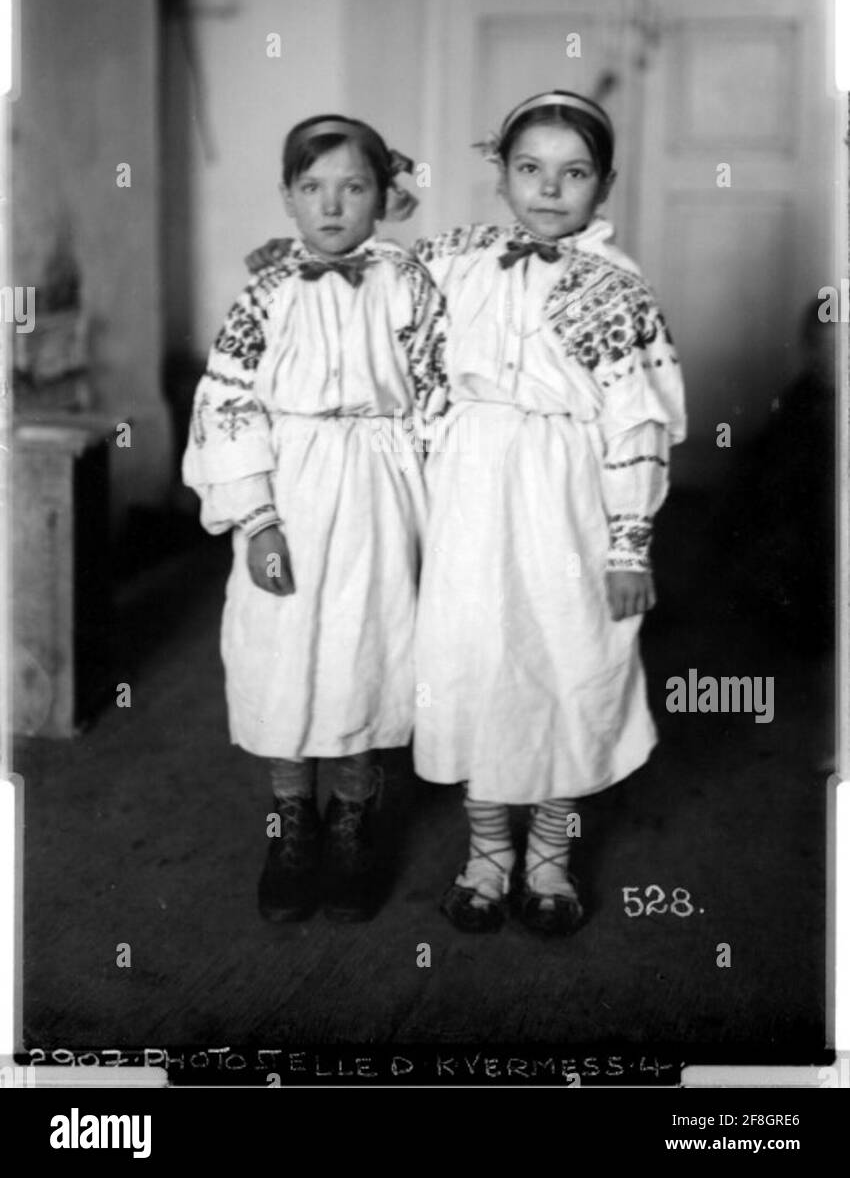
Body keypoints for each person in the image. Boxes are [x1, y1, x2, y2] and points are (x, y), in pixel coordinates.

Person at [411, 90, 687, 936]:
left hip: (564, 492)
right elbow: (376, 291)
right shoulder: (460, 259)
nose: (550, 189)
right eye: (529, 168)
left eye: (574, 174)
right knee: (480, 661)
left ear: (604, 185)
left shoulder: (615, 288)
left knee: (566, 661)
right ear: (500, 175)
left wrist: (629, 542)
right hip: (471, 488)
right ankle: (489, 852)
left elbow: (637, 417)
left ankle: (551, 859)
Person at [183, 114, 446, 924]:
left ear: (383, 196)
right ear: (288, 199)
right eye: (312, 188)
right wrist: (258, 520)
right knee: (285, 652)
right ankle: (293, 818)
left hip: (380, 485)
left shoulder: (411, 283)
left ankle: (353, 820)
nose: (332, 206)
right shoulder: (262, 294)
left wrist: (445, 509)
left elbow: (439, 396)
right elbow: (226, 405)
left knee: (367, 648)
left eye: (354, 187)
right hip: (291, 489)